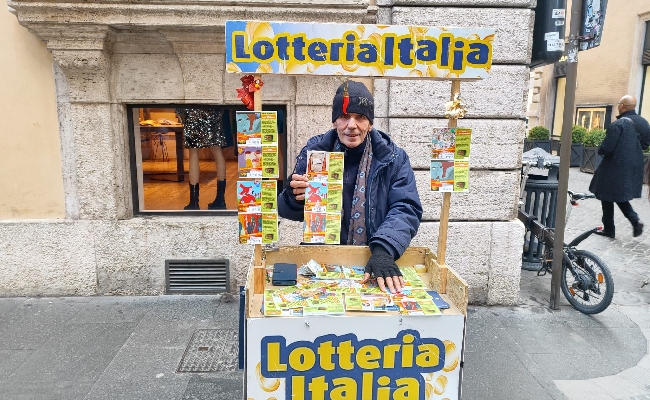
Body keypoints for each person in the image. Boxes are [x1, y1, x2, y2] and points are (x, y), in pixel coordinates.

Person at [278, 81, 423, 293]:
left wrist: (384, 249)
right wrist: (293, 197)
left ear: (370, 124)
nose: (351, 125)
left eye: (360, 117)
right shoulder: (316, 152)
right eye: (345, 116)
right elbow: (287, 210)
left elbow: (406, 207)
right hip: (323, 262)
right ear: (335, 121)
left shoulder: (393, 158)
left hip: (373, 262)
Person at [589, 95, 650, 238]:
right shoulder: (644, 123)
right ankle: (634, 221)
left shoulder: (618, 125)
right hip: (634, 165)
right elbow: (645, 145)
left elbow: (606, 148)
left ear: (622, 106)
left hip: (614, 166)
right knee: (618, 195)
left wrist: (603, 149)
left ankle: (610, 229)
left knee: (606, 195)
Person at [175, 109, 229, 210]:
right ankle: (221, 200)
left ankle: (194, 202)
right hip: (214, 110)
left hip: (192, 110)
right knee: (217, 150)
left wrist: (179, 111)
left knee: (193, 151)